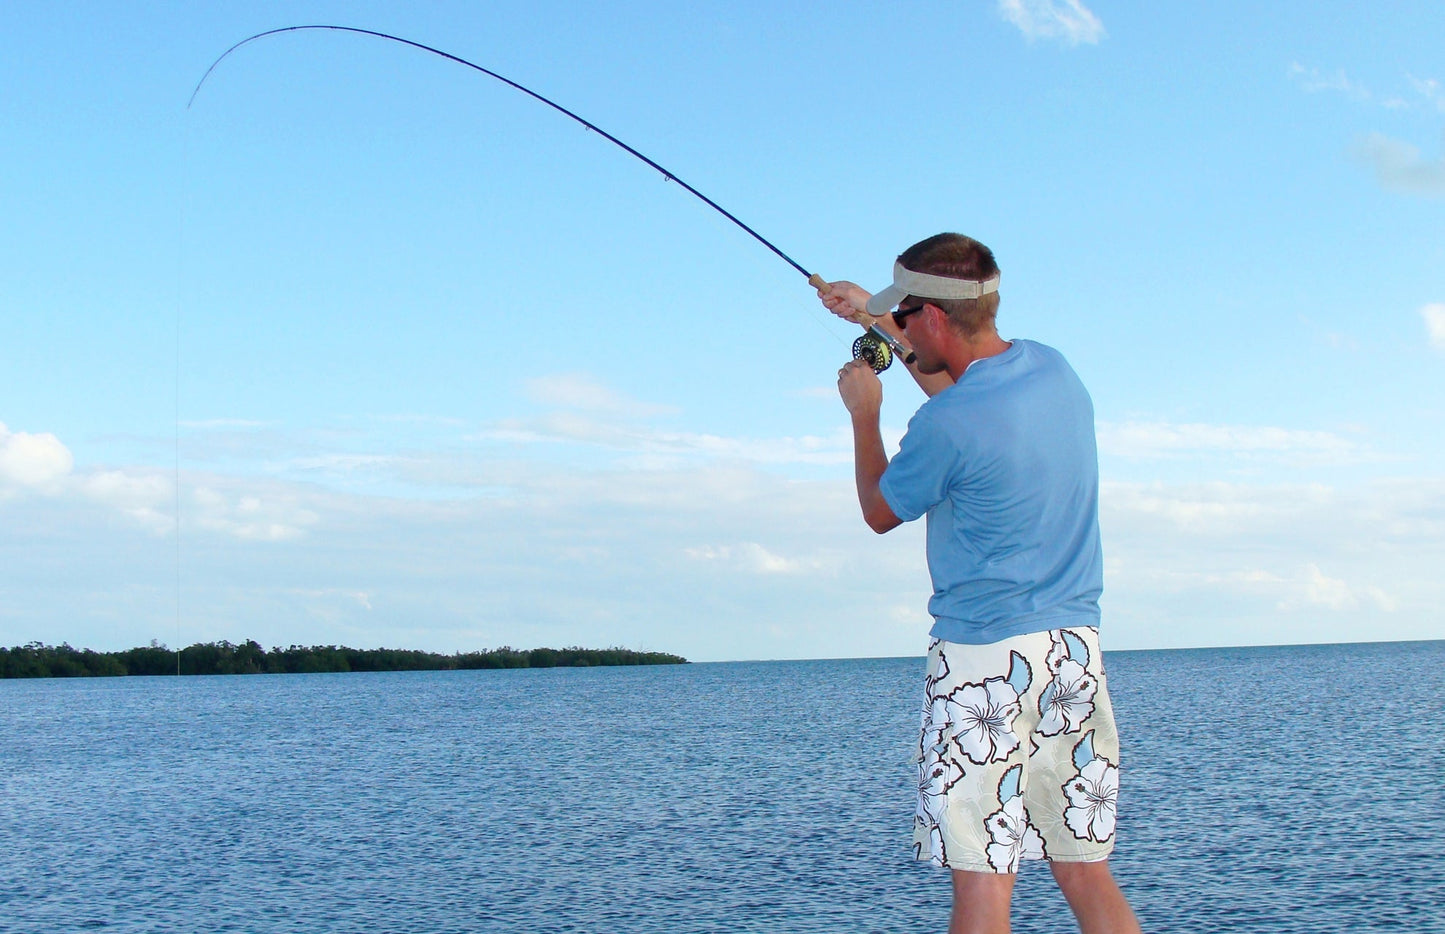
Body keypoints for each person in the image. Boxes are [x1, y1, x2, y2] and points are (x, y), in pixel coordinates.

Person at [821, 233, 1142, 934]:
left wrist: (864, 416)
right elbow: (960, 390)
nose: (898, 327)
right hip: (1073, 655)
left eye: (902, 316)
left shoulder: (944, 425)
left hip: (983, 667)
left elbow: (880, 509)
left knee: (981, 883)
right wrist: (873, 320)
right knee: (1082, 867)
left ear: (932, 317)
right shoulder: (1053, 371)